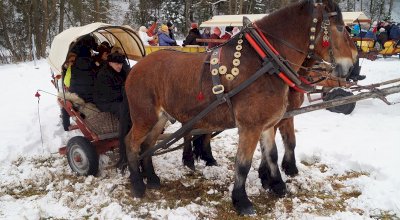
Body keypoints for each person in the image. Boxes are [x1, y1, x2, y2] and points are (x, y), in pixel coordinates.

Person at [93, 52, 127, 117]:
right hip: (104, 102)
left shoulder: (121, 72)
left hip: (116, 99)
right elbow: (108, 94)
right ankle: (124, 127)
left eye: (121, 64)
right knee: (125, 110)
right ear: (110, 63)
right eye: (117, 64)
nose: (120, 66)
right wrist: (125, 93)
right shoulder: (103, 75)